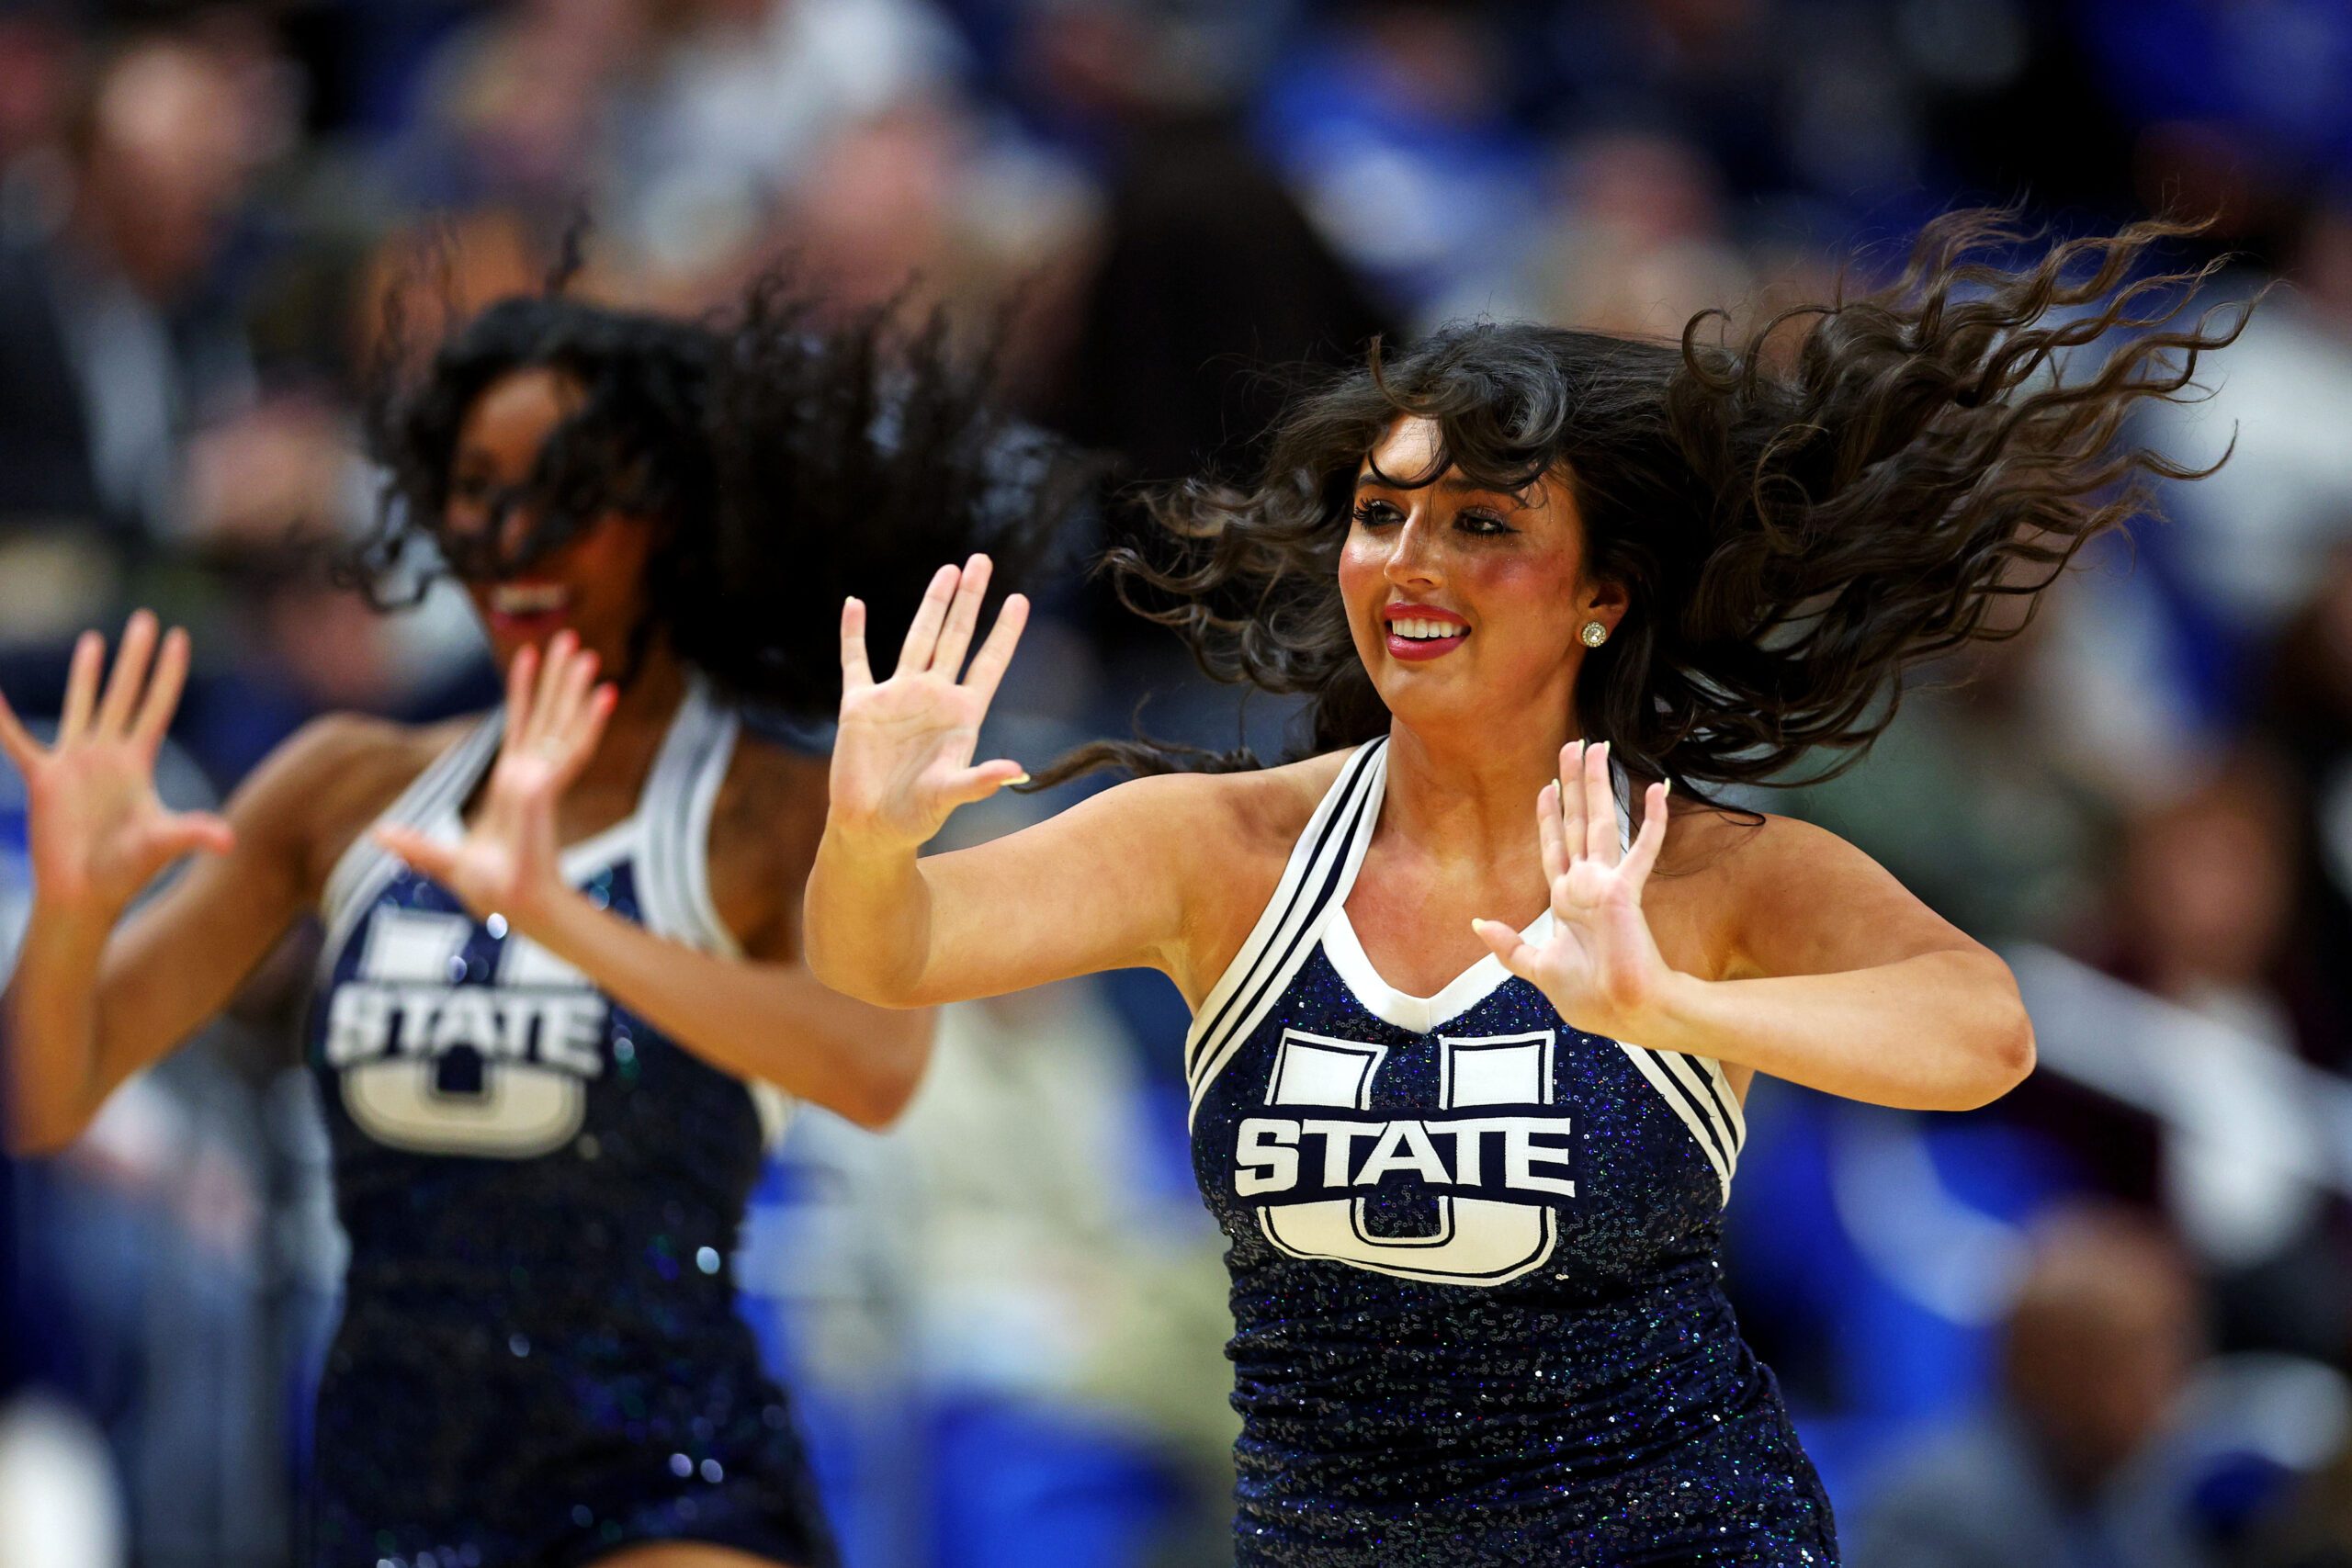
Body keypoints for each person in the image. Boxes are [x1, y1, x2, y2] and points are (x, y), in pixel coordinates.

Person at [800, 210, 2249, 1562]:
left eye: (1481, 524)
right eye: (1382, 512)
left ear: (1601, 589)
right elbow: (885, 957)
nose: (1408, 564)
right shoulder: (1217, 849)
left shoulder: (1692, 874)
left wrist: (1671, 1001)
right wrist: (867, 837)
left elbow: (1982, 1031)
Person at [1, 284, 1057, 1568]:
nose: (510, 535)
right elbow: (46, 1102)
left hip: (668, 1471)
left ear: (673, 516)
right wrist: (69, 914)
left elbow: (877, 1069)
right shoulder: (345, 786)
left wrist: (561, 914)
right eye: (477, 487)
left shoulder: (769, 810)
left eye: (565, 492)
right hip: (386, 1478)